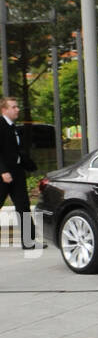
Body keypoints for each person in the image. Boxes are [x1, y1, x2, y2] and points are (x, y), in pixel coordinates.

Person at [0, 96, 37, 249]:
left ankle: (28, 242)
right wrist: (3, 171)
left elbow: (18, 151)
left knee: (23, 206)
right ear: (4, 109)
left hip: (17, 172)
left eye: (17, 106)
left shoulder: (14, 127)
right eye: (14, 107)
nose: (18, 109)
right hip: (3, 174)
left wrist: (31, 166)